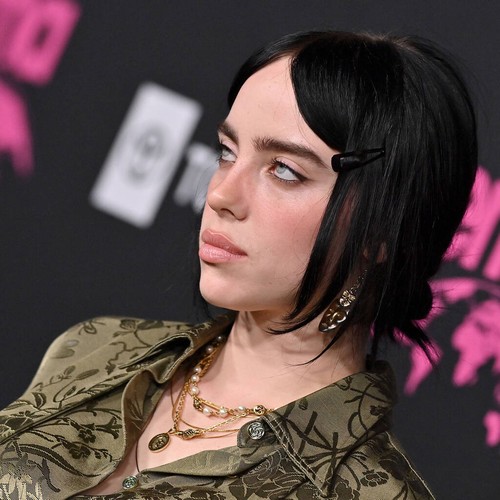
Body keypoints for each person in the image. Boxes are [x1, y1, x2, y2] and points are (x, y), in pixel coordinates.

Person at [0, 30, 477, 499]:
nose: (220, 194)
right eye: (228, 152)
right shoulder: (97, 347)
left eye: (284, 170)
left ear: (381, 229)